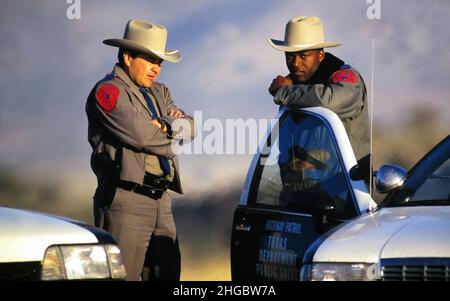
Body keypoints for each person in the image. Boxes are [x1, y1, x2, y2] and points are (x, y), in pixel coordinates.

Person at [85, 19, 197, 281]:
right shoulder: (108, 91)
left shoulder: (161, 92)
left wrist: (165, 124)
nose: (156, 68)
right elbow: (142, 136)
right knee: (122, 277)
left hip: (162, 201)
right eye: (149, 60)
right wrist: (171, 128)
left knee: (168, 275)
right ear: (127, 56)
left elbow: (191, 127)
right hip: (126, 202)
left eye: (160, 62)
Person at [267, 16, 371, 185]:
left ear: (320, 55)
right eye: (290, 56)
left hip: (346, 193)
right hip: (300, 194)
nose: (295, 63)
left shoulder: (346, 79)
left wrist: (285, 92)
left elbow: (330, 101)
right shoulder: (297, 88)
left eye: (303, 56)